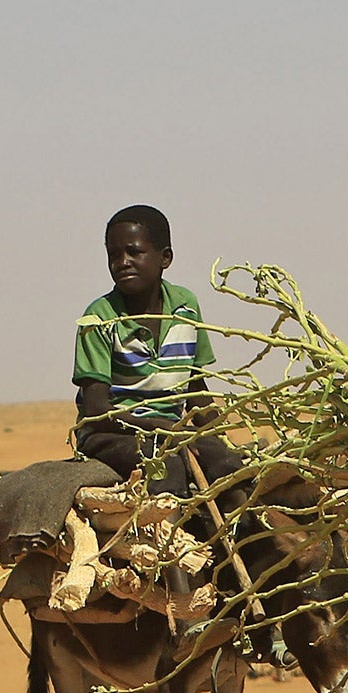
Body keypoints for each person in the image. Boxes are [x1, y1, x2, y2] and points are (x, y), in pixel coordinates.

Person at [73, 206, 242, 496]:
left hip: (171, 431)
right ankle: (170, 540)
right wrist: (159, 427)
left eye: (133, 252)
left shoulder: (185, 307)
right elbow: (96, 410)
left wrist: (218, 440)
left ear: (165, 258)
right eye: (114, 255)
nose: (122, 262)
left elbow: (196, 389)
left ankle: (231, 537)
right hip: (112, 433)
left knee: (228, 466)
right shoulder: (99, 318)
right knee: (164, 465)